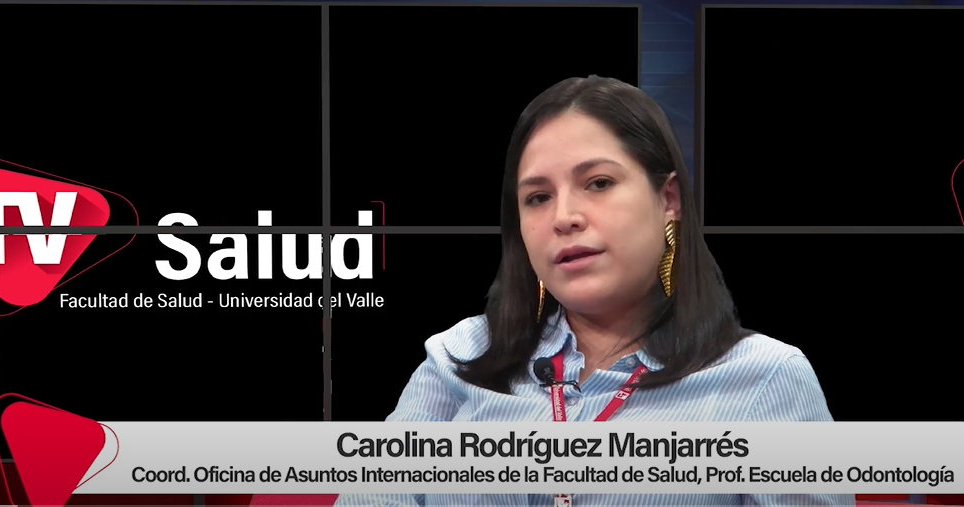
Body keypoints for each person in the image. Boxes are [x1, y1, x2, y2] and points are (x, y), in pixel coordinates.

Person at [335, 76, 851, 507]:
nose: (564, 217)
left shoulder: (766, 378)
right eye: (538, 197)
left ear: (668, 199)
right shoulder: (458, 358)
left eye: (599, 183)